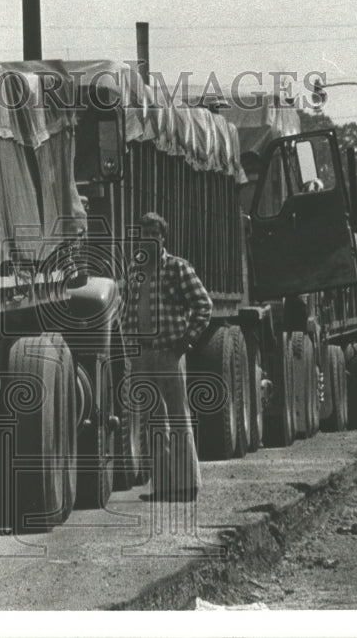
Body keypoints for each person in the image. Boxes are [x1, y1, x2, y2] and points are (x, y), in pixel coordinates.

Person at [121, 212, 212, 501]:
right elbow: (127, 309)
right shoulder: (135, 270)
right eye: (144, 232)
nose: (148, 238)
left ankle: (187, 486)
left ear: (163, 237)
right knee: (154, 422)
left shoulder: (177, 268)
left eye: (154, 233)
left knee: (178, 417)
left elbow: (203, 304)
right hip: (143, 355)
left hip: (169, 354)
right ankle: (164, 488)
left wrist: (185, 342)